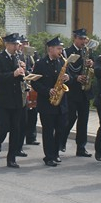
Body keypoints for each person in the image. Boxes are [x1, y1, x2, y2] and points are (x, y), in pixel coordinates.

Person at [32, 36, 70, 167]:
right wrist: (47, 90)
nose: (61, 51)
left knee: (61, 129)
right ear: (50, 49)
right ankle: (49, 157)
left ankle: (56, 153)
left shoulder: (62, 62)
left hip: (61, 103)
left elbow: (68, 77)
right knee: (48, 131)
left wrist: (68, 77)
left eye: (61, 48)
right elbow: (35, 83)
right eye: (59, 48)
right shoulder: (41, 64)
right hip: (46, 103)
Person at [0, 33, 26, 168]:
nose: (16, 47)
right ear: (7, 44)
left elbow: (21, 77)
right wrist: (14, 74)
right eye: (14, 44)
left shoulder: (19, 57)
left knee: (16, 129)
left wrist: (25, 72)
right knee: (4, 128)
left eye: (17, 44)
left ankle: (11, 158)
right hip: (3, 99)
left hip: (16, 99)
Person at [62, 28, 93, 157]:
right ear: (74, 38)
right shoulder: (67, 52)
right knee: (70, 118)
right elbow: (64, 70)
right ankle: (61, 141)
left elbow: (93, 67)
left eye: (84, 39)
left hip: (84, 92)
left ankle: (81, 147)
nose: (83, 41)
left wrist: (91, 63)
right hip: (72, 91)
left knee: (83, 120)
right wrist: (76, 78)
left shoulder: (87, 52)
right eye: (80, 39)